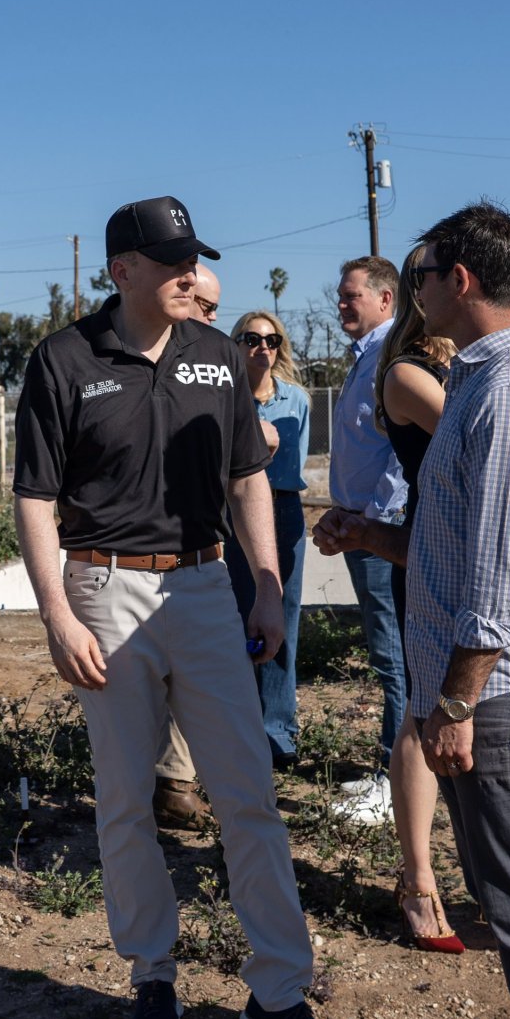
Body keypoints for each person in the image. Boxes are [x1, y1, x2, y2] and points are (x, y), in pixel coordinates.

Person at [13, 195, 314, 1019]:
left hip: (207, 587)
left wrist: (267, 585)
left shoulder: (218, 355)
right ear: (122, 270)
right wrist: (57, 617)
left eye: (194, 259)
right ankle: (153, 974)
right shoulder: (66, 359)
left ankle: (281, 989)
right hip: (104, 590)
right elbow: (35, 498)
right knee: (124, 797)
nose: (190, 274)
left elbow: (247, 476)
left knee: (247, 789)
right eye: (172, 261)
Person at [315, 202, 510, 1018]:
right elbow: (465, 547)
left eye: (423, 277)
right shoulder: (481, 384)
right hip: (492, 694)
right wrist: (372, 533)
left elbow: (500, 574)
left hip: (500, 697)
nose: (414, 293)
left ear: (460, 280)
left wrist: (458, 701)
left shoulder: (504, 394)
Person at [329, 256, 408, 824]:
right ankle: (395, 770)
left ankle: (396, 784)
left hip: (381, 534)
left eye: (350, 295)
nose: (341, 304)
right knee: (390, 657)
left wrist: (371, 526)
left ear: (385, 299)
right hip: (362, 528)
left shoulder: (390, 361)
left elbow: (402, 458)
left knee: (394, 660)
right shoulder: (365, 360)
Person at [152, 260, 225, 831]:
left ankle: (183, 780)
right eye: (205, 306)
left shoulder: (216, 360)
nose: (209, 318)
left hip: (206, 556)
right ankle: (172, 783)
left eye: (215, 309)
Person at [224, 310, 310, 769]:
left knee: (283, 614)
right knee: (239, 614)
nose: (263, 347)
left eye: (272, 339)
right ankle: (241, 724)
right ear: (236, 345)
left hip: (283, 509)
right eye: (252, 338)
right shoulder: (225, 399)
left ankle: (277, 729)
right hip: (236, 508)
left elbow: (294, 470)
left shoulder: (296, 400)